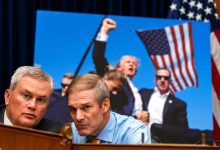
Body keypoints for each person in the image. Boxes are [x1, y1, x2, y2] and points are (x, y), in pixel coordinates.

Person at [67, 74, 151, 144]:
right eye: (72, 109)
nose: (78, 117)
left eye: (86, 107)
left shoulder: (134, 131)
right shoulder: (70, 132)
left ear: (105, 105)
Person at [139, 68, 213, 144]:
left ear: (170, 81)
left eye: (166, 78)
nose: (162, 80)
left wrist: (153, 126)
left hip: (163, 140)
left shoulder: (179, 104)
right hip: (139, 135)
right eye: (159, 77)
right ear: (155, 79)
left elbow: (182, 131)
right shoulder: (143, 93)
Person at [93, 18, 144, 117]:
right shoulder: (113, 76)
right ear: (119, 67)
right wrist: (104, 31)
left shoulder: (136, 89)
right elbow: (98, 57)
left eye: (134, 63)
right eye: (128, 62)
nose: (131, 64)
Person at [0, 66, 62, 133]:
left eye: (40, 100)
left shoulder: (56, 134)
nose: (32, 106)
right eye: (26, 96)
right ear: (8, 96)